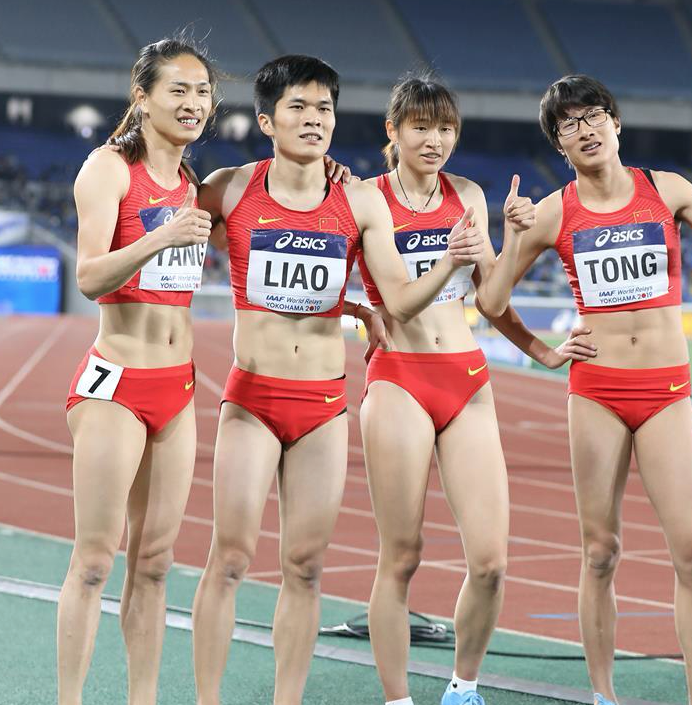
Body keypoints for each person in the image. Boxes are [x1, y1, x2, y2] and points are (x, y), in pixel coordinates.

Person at [483, 74, 692, 705]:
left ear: (616, 122)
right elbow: (491, 301)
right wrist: (543, 350)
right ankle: (604, 695)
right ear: (559, 144)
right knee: (600, 553)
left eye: (593, 115)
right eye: (568, 124)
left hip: (666, 390)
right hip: (596, 392)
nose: (584, 129)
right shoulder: (553, 211)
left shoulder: (666, 188)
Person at [189, 55, 484, 705]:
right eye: (297, 107)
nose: (313, 119)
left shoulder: (358, 200)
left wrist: (433, 271)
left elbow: (399, 297)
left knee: (304, 567)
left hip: (323, 405)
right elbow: (160, 206)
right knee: (230, 558)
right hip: (253, 397)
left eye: (323, 108)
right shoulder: (229, 189)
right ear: (266, 120)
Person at [356, 73, 590, 705]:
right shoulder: (368, 199)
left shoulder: (468, 194)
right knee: (402, 556)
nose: (435, 140)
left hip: (465, 380)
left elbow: (490, 298)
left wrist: (539, 344)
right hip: (399, 379)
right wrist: (446, 261)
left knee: (489, 562)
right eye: (421, 127)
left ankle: (463, 689)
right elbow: (399, 305)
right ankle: (398, 699)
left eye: (446, 128)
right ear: (393, 130)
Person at [58, 38, 216, 705]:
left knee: (154, 565)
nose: (193, 102)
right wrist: (160, 236)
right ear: (143, 97)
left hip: (176, 390)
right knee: (96, 561)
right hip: (116, 386)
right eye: (178, 89)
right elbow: (89, 276)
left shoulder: (195, 185)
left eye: (202, 91)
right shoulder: (108, 169)